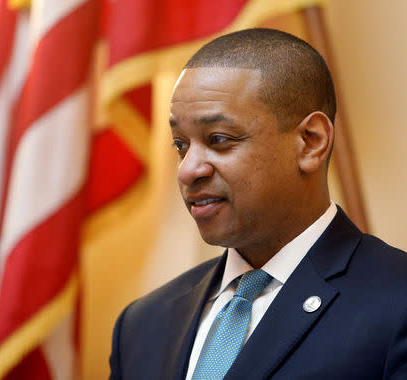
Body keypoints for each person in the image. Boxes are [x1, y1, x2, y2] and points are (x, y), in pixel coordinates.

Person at [109, 28, 407, 379]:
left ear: (310, 142)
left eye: (218, 139)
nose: (189, 170)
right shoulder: (142, 324)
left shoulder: (396, 303)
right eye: (180, 145)